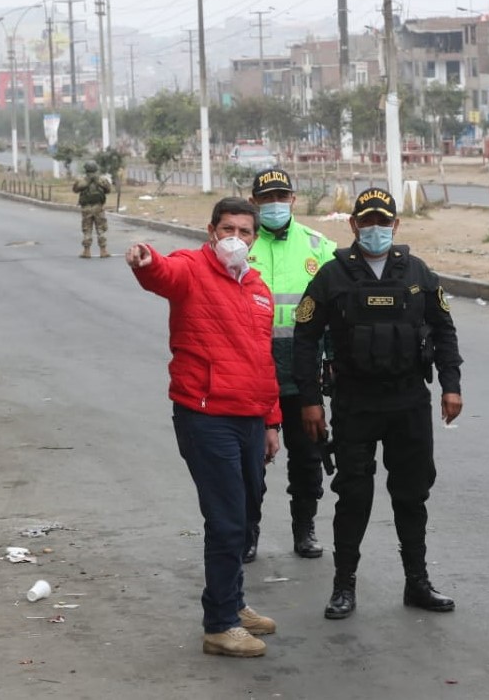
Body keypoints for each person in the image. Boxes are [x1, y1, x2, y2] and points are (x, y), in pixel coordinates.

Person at [293, 187, 463, 620]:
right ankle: (343, 586)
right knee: (353, 496)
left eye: (382, 222)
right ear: (353, 226)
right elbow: (305, 339)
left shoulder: (417, 272)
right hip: (355, 402)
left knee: (412, 494)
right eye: (366, 221)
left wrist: (451, 386)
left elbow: (444, 331)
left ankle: (417, 583)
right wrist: (310, 401)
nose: (374, 229)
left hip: (408, 402)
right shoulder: (333, 276)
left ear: (395, 226)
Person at [127, 197, 283, 659]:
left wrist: (272, 421)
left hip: (251, 417)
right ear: (212, 230)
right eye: (228, 229)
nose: (236, 238)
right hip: (206, 415)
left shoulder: (257, 288)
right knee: (227, 520)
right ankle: (219, 624)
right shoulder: (192, 268)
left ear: (255, 238)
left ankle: (233, 602)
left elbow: (263, 362)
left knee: (248, 512)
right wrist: (146, 260)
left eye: (245, 231)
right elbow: (162, 274)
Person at [243, 168, 337, 563]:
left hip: (303, 373)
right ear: (254, 203)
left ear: (294, 200)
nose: (275, 205)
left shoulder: (319, 247)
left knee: (307, 457)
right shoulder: (239, 247)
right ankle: (248, 534)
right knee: (250, 462)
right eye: (267, 199)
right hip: (250, 372)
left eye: (281, 197)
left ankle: (305, 528)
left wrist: (332, 359)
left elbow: (336, 309)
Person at [73, 160, 112, 258]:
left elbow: (75, 189)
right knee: (101, 229)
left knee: (87, 229)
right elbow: (108, 190)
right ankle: (103, 251)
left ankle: (87, 251)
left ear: (86, 169)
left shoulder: (81, 180)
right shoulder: (102, 179)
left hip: (86, 208)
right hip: (98, 207)